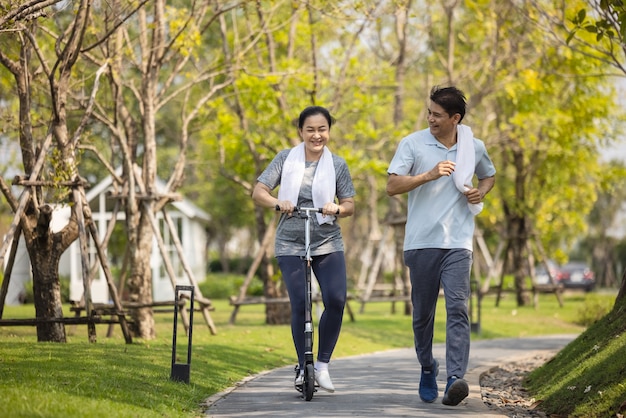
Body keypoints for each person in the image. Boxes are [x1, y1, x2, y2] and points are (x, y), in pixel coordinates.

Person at [386, 86, 496, 406]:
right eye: (429, 111)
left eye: (437, 114)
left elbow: (488, 175)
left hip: (458, 242)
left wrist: (481, 192)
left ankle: (454, 378)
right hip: (421, 242)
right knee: (423, 315)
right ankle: (427, 367)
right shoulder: (413, 143)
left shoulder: (473, 147)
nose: (430, 118)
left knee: (458, 307)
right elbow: (392, 186)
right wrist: (429, 175)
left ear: (455, 118)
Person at [252, 105, 356, 394]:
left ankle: (321, 365)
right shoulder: (285, 159)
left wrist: (338, 207)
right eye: (310, 129)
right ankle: (302, 367)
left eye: (322, 129)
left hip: (327, 241)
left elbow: (349, 205)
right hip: (290, 242)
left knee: (336, 299)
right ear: (301, 131)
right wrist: (277, 202)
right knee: (300, 303)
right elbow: (258, 191)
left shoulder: (338, 165)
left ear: (329, 131)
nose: (316, 135)